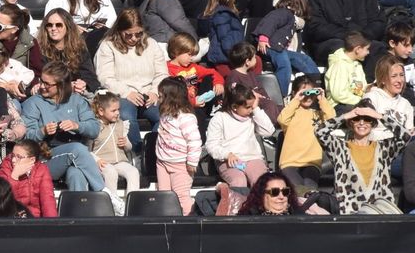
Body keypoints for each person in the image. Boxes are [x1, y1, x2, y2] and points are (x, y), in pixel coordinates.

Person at [314, 101, 409, 215]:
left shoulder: (384, 148)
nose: (362, 123)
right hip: (349, 214)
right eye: (357, 119)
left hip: (380, 212)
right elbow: (320, 131)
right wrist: (347, 115)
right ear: (350, 123)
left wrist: (379, 115)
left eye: (367, 119)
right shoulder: (339, 147)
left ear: (373, 123)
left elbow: (405, 136)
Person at [21, 62, 104, 192]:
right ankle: (104, 193)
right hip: (44, 159)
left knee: (76, 175)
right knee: (76, 149)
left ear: (61, 85)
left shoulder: (77, 101)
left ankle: (80, 211)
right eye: (41, 81)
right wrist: (42, 131)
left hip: (74, 157)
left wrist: (77, 125)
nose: (42, 86)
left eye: (47, 84)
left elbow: (94, 129)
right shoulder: (33, 103)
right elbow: (25, 138)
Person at [93, 8, 165, 157]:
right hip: (122, 94)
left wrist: (154, 91)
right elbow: (105, 77)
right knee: (126, 115)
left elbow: (162, 73)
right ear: (120, 31)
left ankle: (151, 151)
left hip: (148, 93)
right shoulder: (108, 46)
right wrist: (127, 92)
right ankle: (136, 152)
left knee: (164, 117)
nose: (134, 38)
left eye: (138, 34)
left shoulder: (151, 44)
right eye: (129, 34)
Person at [205, 82, 276, 213]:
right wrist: (227, 154)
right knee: (238, 180)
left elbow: (268, 131)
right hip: (229, 160)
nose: (250, 110)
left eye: (252, 106)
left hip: (252, 158)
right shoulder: (220, 118)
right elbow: (211, 145)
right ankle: (237, 214)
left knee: (261, 181)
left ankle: (264, 212)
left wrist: (256, 109)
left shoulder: (252, 116)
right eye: (248, 107)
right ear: (234, 107)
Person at [253, 0, 317, 101]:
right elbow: (270, 22)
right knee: (284, 65)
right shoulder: (283, 13)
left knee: (304, 59)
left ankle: (316, 85)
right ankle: (281, 96)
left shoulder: (290, 17)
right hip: (271, 46)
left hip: (279, 48)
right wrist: (263, 37)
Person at [151, 76, 201, 214]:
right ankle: (167, 223)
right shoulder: (165, 114)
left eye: (161, 96)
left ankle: (188, 221)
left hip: (181, 165)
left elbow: (195, 141)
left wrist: (192, 162)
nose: (158, 99)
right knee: (164, 196)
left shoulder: (186, 118)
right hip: (162, 162)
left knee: (181, 196)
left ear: (170, 98)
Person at [276, 74, 333, 191]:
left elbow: (332, 120)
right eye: (304, 93)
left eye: (311, 93)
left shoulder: (317, 114)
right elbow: (281, 119)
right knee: (298, 189)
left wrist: (322, 99)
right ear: (295, 93)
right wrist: (296, 99)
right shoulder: (292, 113)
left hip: (311, 163)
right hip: (289, 163)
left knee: (310, 189)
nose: (308, 97)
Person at [88, 94, 140, 209]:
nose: (117, 113)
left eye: (118, 109)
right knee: (110, 172)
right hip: (103, 162)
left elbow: (129, 148)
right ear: (101, 111)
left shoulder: (121, 124)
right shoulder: (94, 126)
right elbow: (86, 150)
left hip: (120, 161)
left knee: (133, 171)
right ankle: (113, 205)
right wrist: (97, 160)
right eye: (113, 110)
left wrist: (126, 143)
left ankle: (132, 205)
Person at [29, 10, 98, 95]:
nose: (53, 28)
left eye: (58, 25)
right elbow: (34, 76)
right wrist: (66, 87)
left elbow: (91, 77)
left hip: (75, 96)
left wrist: (84, 83)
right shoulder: (38, 49)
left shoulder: (79, 49)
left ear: (67, 26)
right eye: (49, 25)